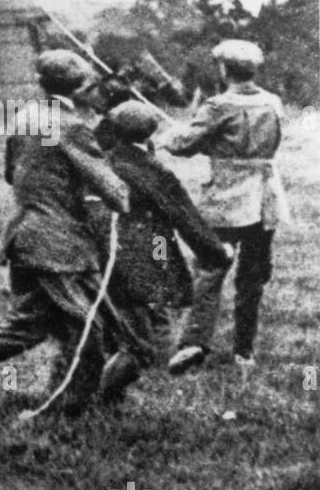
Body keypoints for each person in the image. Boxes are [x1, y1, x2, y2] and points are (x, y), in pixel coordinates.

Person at [0, 50, 131, 420]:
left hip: (27, 234)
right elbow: (116, 194)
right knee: (90, 331)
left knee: (34, 322)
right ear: (79, 87)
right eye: (92, 84)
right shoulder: (71, 126)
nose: (97, 91)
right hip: (59, 243)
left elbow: (10, 172)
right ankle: (64, 412)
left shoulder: (27, 116)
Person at [89, 101, 234, 403]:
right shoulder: (152, 170)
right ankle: (99, 397)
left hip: (98, 252)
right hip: (142, 254)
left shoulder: (102, 161)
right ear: (151, 131)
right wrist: (217, 252)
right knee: (144, 343)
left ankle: (104, 384)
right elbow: (185, 218)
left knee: (125, 319)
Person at [165, 40, 289, 373]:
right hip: (266, 196)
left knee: (210, 268)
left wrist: (172, 133)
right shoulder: (273, 102)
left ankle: (193, 343)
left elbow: (181, 146)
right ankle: (244, 351)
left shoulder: (217, 105)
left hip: (227, 197)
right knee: (253, 276)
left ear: (223, 69)